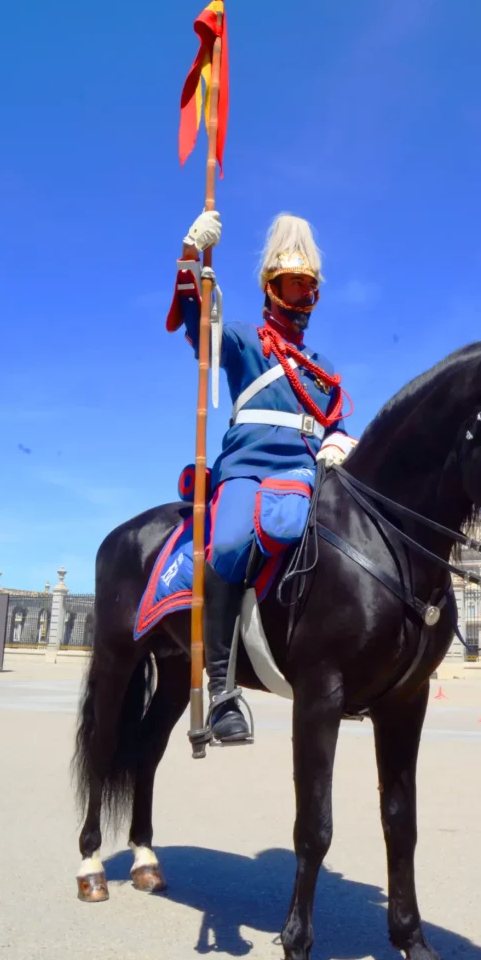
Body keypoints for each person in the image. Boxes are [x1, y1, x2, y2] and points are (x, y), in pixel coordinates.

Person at [165, 212, 356, 742]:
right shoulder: (244, 341)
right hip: (248, 467)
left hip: (304, 472)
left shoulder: (321, 368)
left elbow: (336, 421)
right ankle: (224, 691)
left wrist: (338, 440)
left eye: (308, 288)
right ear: (270, 290)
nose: (301, 298)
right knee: (226, 543)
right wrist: (189, 255)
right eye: (292, 286)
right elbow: (195, 323)